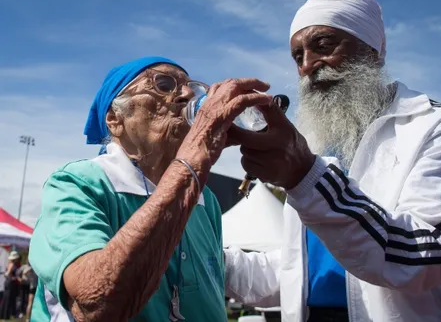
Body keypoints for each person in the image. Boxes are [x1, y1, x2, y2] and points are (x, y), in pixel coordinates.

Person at [223, 0, 441, 322]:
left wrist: (304, 175)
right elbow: (300, 271)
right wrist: (203, 259)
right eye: (298, 56)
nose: (308, 65)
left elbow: (433, 252)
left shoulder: (437, 126)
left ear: (372, 51)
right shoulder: (316, 144)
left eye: (323, 46)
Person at [28, 56, 272, 321]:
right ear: (114, 119)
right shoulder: (79, 182)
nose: (188, 94)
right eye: (164, 84)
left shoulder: (204, 198)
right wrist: (192, 161)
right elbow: (96, 303)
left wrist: (301, 176)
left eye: (191, 87)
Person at [0, 251, 21, 320]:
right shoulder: (12, 264)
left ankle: (3, 315)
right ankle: (5, 317)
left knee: (6, 299)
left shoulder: (10, 264)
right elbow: (7, 274)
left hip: (8, 283)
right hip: (10, 283)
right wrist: (14, 278)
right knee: (8, 300)